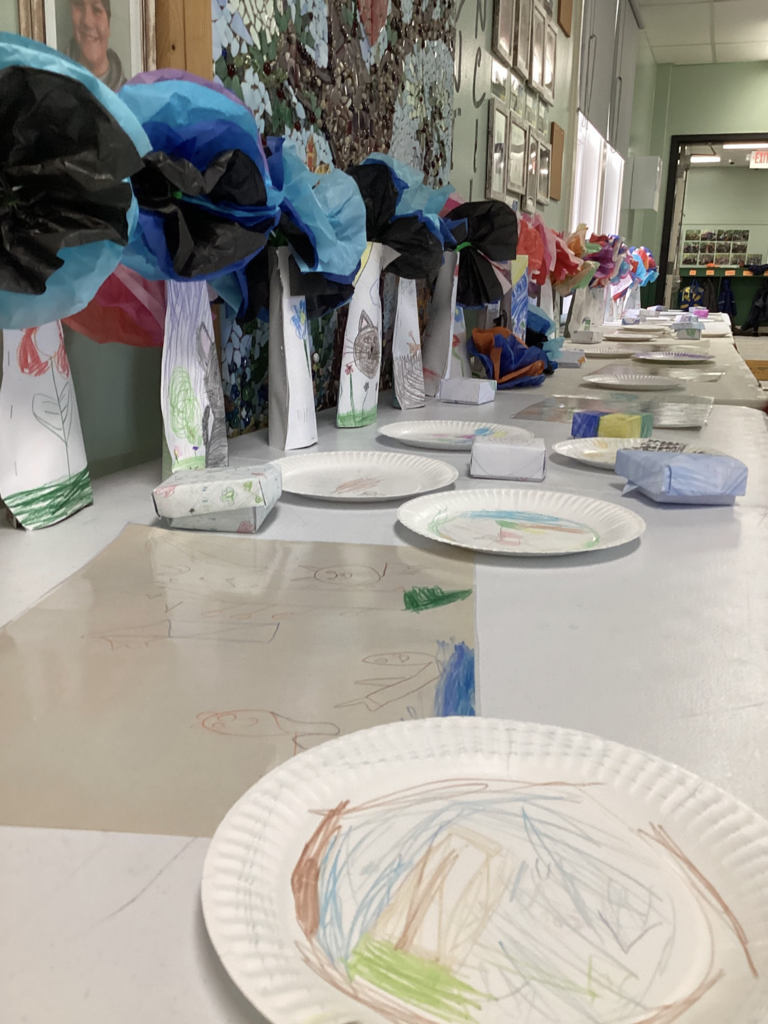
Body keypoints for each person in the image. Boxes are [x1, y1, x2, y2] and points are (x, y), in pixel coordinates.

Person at [66, 0, 125, 91]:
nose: (87, 22)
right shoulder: (52, 89)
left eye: (96, 10)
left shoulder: (130, 98)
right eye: (79, 6)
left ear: (108, 24)